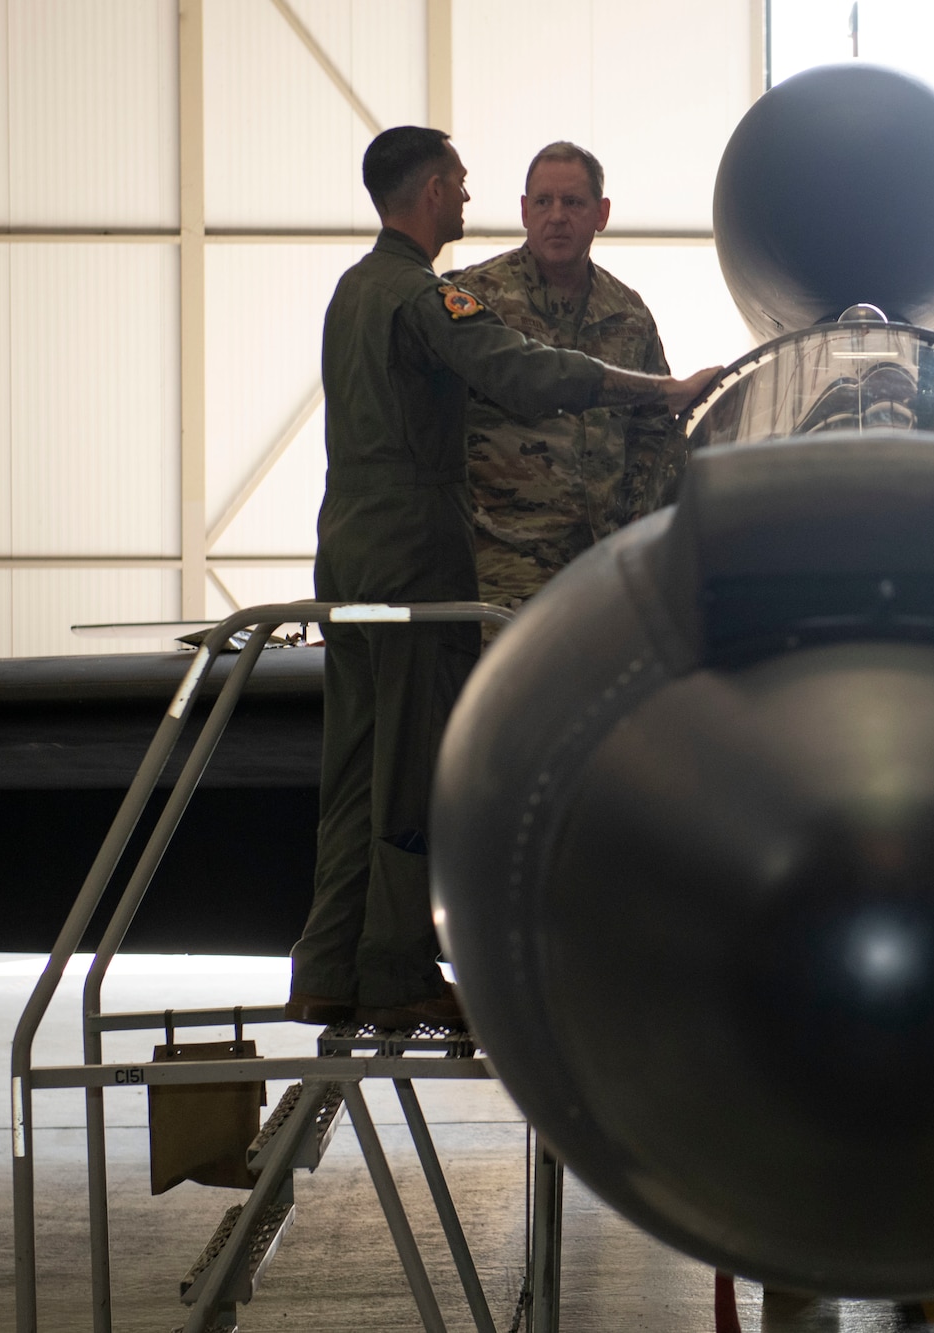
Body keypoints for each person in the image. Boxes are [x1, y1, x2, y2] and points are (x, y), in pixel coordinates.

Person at [287, 126, 719, 1029]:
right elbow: (520, 373)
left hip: (360, 539)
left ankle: (328, 961)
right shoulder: (432, 296)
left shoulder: (355, 288)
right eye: (465, 185)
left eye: (572, 201)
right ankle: (400, 966)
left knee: (359, 761)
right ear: (433, 191)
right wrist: (661, 389)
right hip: (422, 548)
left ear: (598, 213)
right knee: (409, 767)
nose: (472, 200)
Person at [446, 142, 684, 627]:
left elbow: (654, 434)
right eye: (543, 202)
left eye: (573, 203)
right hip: (501, 574)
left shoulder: (629, 313)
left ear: (601, 213)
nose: (557, 216)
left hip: (604, 573)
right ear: (523, 211)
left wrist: (638, 530)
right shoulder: (477, 299)